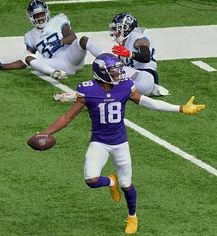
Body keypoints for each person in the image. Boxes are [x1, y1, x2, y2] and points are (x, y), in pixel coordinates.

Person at [35, 53, 205, 234]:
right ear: (101, 73)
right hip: (99, 142)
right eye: (113, 72)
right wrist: (46, 132)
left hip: (120, 142)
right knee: (91, 180)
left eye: (118, 70)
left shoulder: (125, 86)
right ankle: (110, 181)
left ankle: (132, 216)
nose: (118, 74)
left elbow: (149, 102)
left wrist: (179, 108)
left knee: (127, 184)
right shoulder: (88, 90)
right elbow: (67, 116)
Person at [0, 0, 102, 79]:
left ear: (46, 12)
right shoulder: (30, 36)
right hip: (57, 64)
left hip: (71, 56)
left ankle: (108, 60)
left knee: (83, 39)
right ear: (31, 17)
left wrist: (60, 42)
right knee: (27, 56)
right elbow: (26, 61)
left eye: (41, 14)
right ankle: (54, 74)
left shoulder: (58, 20)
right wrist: (3, 66)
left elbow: (72, 37)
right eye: (36, 16)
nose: (40, 18)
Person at [109, 12, 169, 95]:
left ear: (126, 28)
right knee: (108, 67)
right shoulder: (126, 42)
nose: (115, 32)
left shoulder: (136, 36)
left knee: (112, 73)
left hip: (145, 78)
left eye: (117, 29)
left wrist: (129, 54)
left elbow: (146, 57)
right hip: (138, 78)